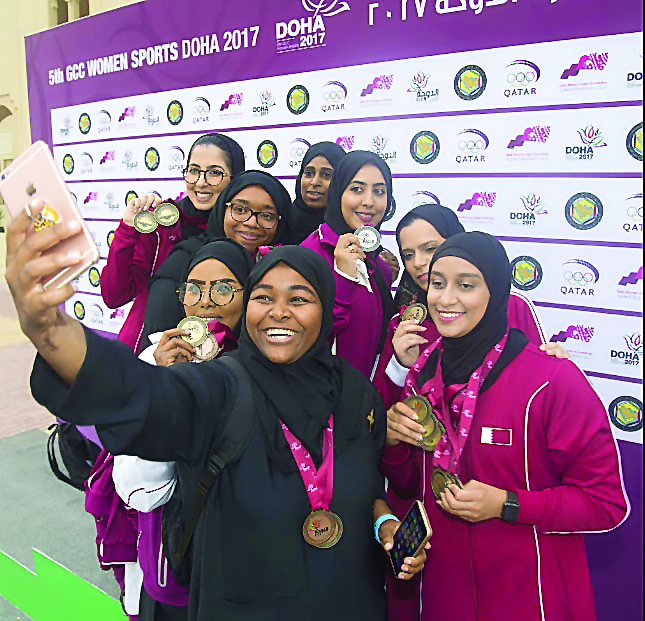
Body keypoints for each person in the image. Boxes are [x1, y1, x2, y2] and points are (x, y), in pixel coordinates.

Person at [6, 208, 427, 621]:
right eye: (264, 298)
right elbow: (139, 392)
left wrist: (384, 523)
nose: (279, 312)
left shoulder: (355, 394)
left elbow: (367, 487)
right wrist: (49, 328)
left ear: (325, 308)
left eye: (299, 299)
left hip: (347, 603)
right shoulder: (221, 386)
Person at [381, 231, 628, 621]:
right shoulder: (422, 373)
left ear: (495, 292)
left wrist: (508, 504)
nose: (446, 299)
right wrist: (393, 442)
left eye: (466, 285)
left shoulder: (550, 380)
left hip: (529, 596)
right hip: (445, 596)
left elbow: (605, 504)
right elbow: (411, 485)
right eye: (438, 283)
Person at [113, 239, 254, 620]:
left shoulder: (265, 367)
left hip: (244, 561)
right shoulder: (152, 361)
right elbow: (137, 489)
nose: (205, 301)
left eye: (223, 288)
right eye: (193, 288)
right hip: (175, 557)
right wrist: (165, 390)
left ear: (250, 296)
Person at [101, 133, 245, 353]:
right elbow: (114, 295)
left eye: (215, 173)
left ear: (235, 178)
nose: (201, 182)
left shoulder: (244, 229)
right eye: (194, 171)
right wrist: (127, 231)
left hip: (213, 357)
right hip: (147, 354)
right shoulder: (161, 224)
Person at [139, 170, 293, 350]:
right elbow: (159, 349)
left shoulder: (284, 269)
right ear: (223, 209)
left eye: (267, 215)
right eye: (240, 210)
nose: (251, 222)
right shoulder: (183, 262)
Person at [301, 151, 394, 379]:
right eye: (357, 189)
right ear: (338, 192)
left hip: (364, 400)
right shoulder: (309, 255)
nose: (369, 202)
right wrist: (343, 279)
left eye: (379, 191)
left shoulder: (376, 262)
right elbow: (304, 338)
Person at [290, 141, 346, 244]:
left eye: (326, 174)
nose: (315, 182)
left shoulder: (348, 230)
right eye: (309, 173)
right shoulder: (280, 222)